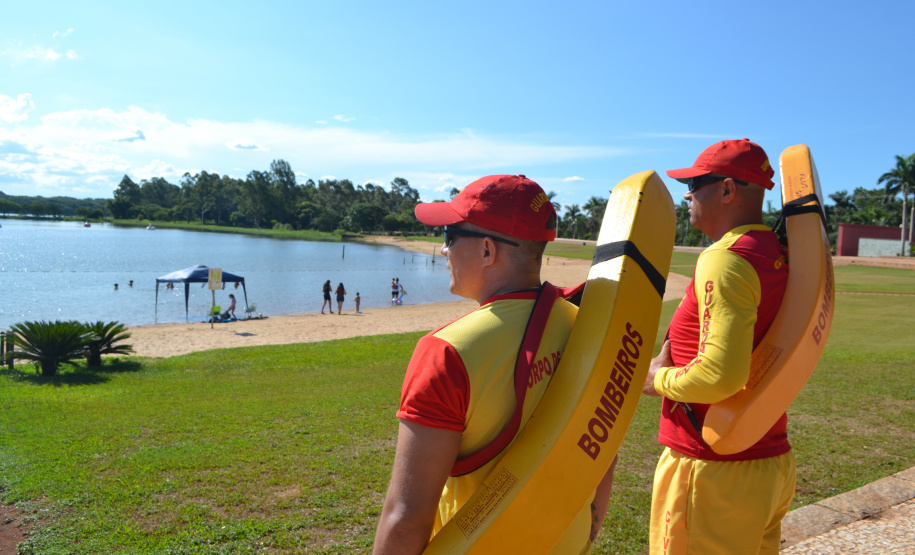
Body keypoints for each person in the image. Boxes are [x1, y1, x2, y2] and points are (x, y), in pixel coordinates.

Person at [374, 174, 615, 554]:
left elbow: (405, 520)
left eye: (450, 236)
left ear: (487, 250)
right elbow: (603, 446)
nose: (443, 250)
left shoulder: (447, 352)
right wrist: (588, 532)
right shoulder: (583, 327)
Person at [642, 139, 793, 554]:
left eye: (696, 184)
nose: (687, 194)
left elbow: (719, 375)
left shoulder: (725, 258)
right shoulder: (778, 254)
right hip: (767, 461)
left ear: (727, 190)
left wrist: (658, 379)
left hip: (712, 469)